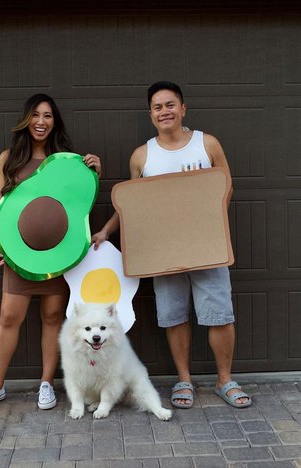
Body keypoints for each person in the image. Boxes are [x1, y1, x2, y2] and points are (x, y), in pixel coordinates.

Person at [92, 81, 251, 409]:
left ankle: (225, 380)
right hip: (162, 252)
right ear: (150, 114)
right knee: (174, 316)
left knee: (219, 315)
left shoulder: (207, 144)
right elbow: (132, 206)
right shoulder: (142, 155)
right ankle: (184, 380)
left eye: (170, 105)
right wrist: (106, 231)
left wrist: (198, 210)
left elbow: (225, 188)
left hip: (208, 247)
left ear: (183, 109)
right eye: (157, 107)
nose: (164, 111)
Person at [0, 94, 101, 413]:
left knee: (52, 317)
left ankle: (46, 384)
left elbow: (78, 204)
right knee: (9, 317)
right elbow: (1, 207)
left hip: (58, 256)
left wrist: (94, 172)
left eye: (48, 116)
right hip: (18, 253)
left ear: (55, 122)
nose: (41, 121)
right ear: (27, 119)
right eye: (36, 115)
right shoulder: (8, 159)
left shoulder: (66, 161)